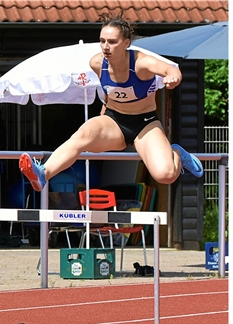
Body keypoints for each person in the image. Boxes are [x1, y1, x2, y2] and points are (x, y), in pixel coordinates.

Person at [19, 14, 204, 193]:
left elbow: (170, 69)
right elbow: (109, 91)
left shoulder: (141, 63)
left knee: (166, 175)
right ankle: (43, 173)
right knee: (83, 134)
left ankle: (177, 153)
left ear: (126, 43)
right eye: (102, 41)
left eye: (112, 42)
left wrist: (173, 77)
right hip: (114, 120)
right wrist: (102, 115)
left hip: (145, 124)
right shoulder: (97, 63)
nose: (105, 47)